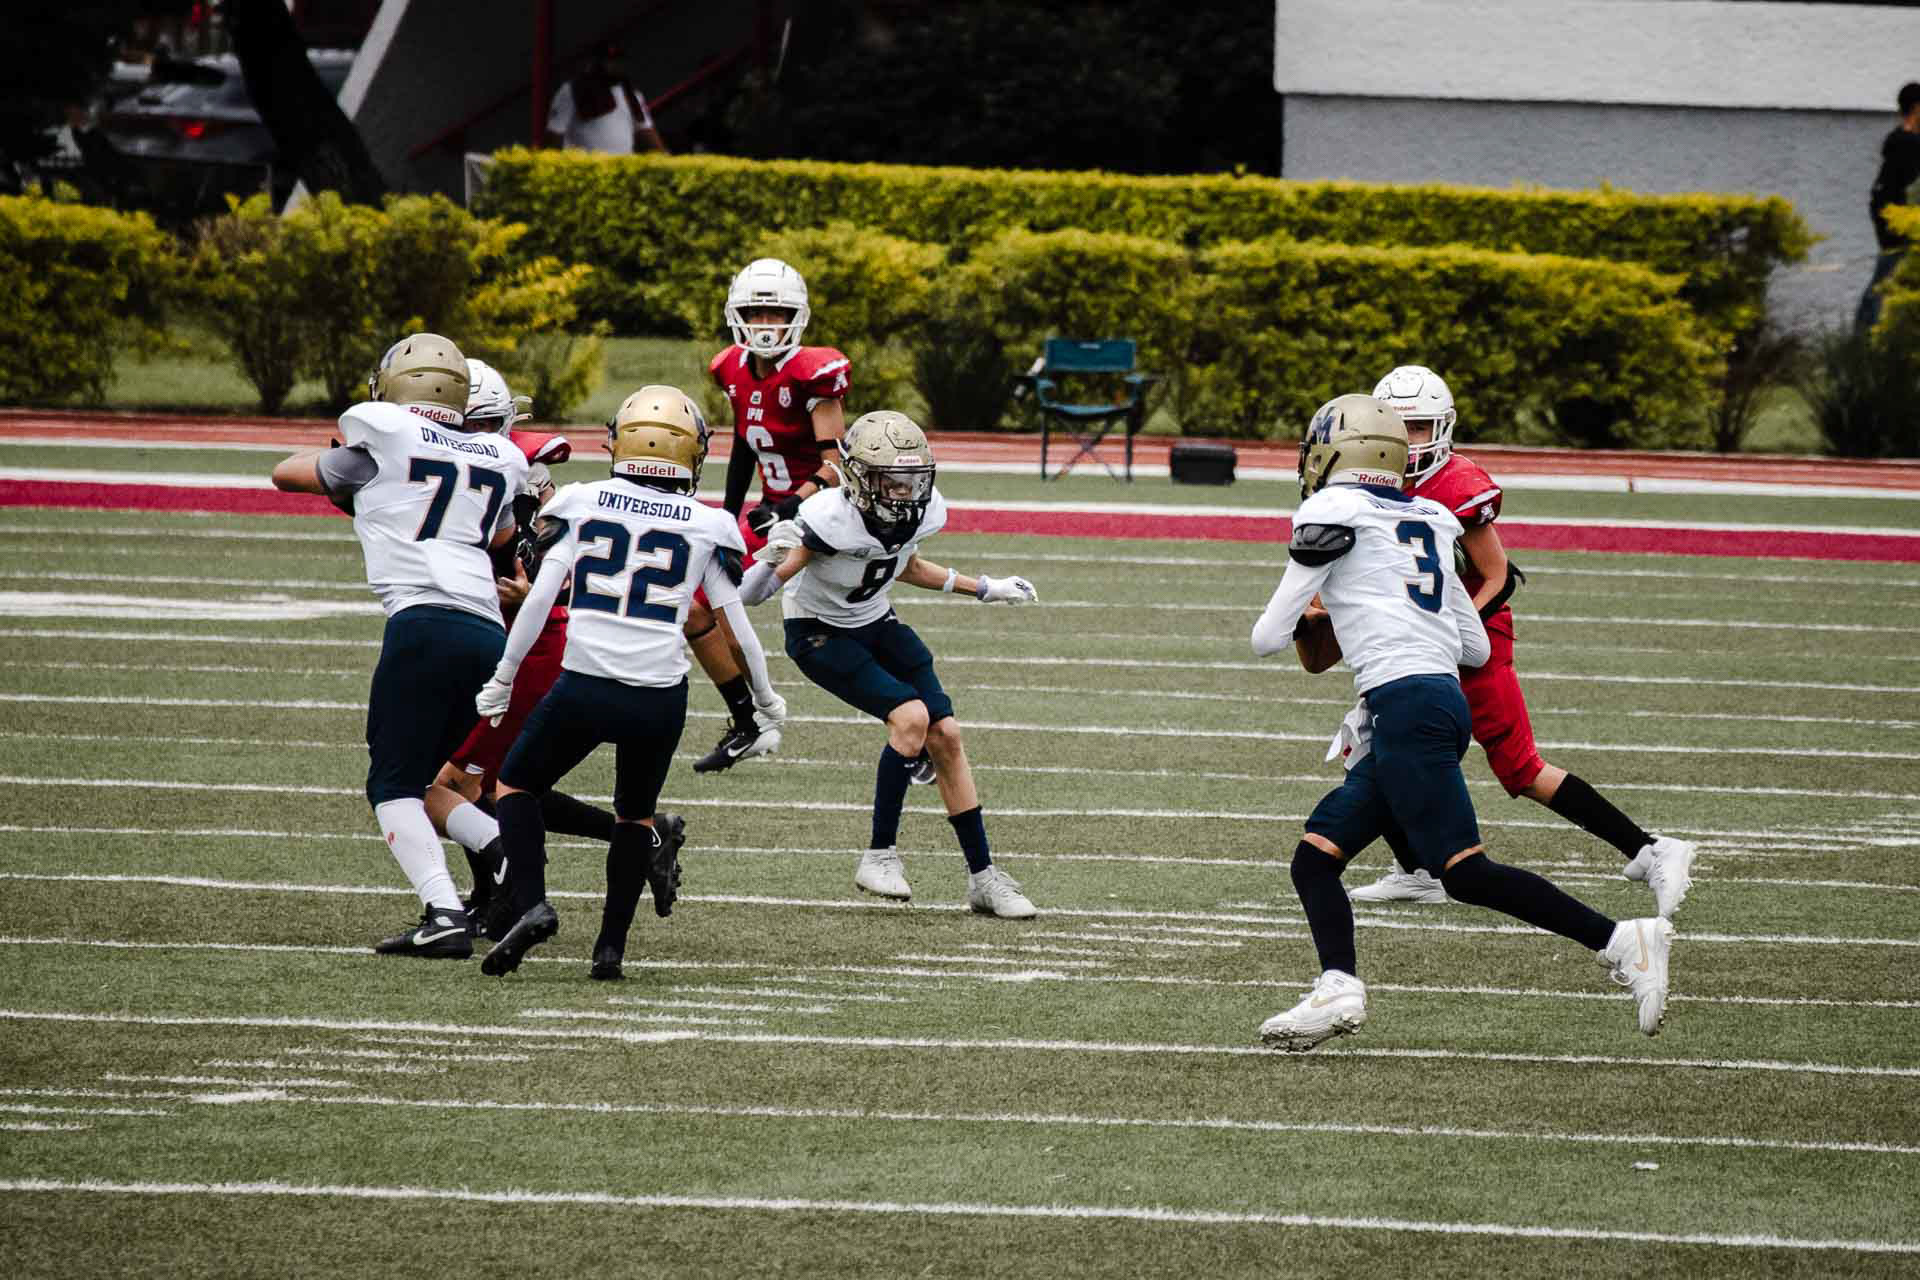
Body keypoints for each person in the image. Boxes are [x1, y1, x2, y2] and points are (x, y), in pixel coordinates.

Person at [1250, 394, 1674, 1051]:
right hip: (1438, 705)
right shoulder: (1428, 516)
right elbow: (1473, 648)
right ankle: (1338, 987)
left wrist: (1321, 613)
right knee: (1315, 860)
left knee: (1465, 873)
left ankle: (1621, 940)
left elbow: (1267, 638)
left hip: (1406, 707)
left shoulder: (1330, 510)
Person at [1340, 365, 1696, 918]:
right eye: (1398, 426)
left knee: (1520, 768)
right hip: (1417, 641)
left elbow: (1499, 576)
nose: (1408, 440)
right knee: (1372, 748)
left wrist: (1451, 632)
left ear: (1443, 428)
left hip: (1474, 639)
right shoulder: (1371, 479)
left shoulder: (1456, 484)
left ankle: (1650, 849)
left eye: (1419, 427)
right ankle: (1417, 871)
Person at [474, 385, 780, 979]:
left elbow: (538, 600)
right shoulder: (709, 523)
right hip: (658, 695)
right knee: (634, 817)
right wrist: (763, 701)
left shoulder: (582, 501)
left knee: (514, 785)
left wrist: (504, 676)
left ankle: (533, 903)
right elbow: (735, 626)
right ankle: (609, 951)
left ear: (621, 442)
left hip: (585, 684)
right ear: (690, 452)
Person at [270, 333, 529, 958]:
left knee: (391, 786)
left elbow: (286, 475)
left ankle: (444, 913)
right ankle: (502, 855)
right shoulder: (496, 455)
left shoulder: (385, 442)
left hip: (423, 626)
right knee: (429, 780)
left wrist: (351, 467)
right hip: (487, 633)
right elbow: (501, 535)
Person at [738, 410, 1041, 918]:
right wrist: (769, 558)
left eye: (912, 480)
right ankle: (878, 856)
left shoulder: (918, 512)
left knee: (946, 734)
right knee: (911, 718)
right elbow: (753, 596)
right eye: (891, 480)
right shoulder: (827, 519)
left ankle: (984, 879)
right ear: (860, 478)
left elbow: (906, 565)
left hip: (876, 622)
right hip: (819, 633)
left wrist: (985, 588)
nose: (905, 491)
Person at [427, 359, 637, 939]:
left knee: (463, 786)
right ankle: (501, 891)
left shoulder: (522, 474)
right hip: (486, 638)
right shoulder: (462, 468)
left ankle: (514, 892)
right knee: (498, 782)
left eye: (477, 424)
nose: (464, 436)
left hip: (526, 643)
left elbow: (568, 561)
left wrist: (542, 590)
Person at [686, 257, 850, 775]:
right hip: (770, 514)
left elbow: (836, 467)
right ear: (737, 316)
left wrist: (786, 506)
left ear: (795, 318)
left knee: (848, 629)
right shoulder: (731, 368)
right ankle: (751, 719)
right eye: (755, 313)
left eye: (775, 313)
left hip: (822, 512)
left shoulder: (812, 373)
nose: (764, 324)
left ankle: (921, 727)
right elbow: (744, 447)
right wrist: (728, 516)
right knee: (695, 608)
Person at [1857, 82, 1920, 333]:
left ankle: (1868, 330)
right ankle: (1868, 333)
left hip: (1891, 217)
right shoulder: (1908, 143)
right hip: (1898, 221)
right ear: (1916, 108)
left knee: (1888, 275)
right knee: (1887, 276)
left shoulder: (1898, 139)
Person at [544, 42, 668, 156]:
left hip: (623, 167)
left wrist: (667, 159)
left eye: (618, 61)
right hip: (585, 168)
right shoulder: (572, 90)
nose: (615, 66)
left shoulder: (632, 94)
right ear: (596, 63)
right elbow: (554, 134)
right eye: (609, 61)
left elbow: (645, 130)